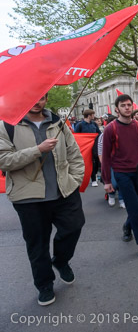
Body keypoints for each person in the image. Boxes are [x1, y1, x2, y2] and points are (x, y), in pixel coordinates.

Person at [0, 94, 85, 306]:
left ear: (46, 98)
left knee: (74, 226)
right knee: (37, 245)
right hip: (28, 198)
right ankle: (44, 285)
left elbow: (74, 154)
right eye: (33, 97)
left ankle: (61, 261)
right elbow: (3, 160)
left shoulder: (58, 122)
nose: (38, 102)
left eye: (42, 98)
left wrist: (74, 180)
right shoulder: (7, 125)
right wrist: (38, 150)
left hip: (64, 191)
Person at [101, 94, 138, 256]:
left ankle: (127, 226)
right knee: (134, 206)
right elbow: (105, 156)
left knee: (137, 204)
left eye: (129, 105)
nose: (127, 108)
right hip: (121, 173)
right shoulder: (110, 129)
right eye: (123, 105)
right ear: (117, 109)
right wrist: (107, 180)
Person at [98, 115, 124, 208]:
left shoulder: (122, 133)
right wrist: (103, 163)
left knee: (122, 181)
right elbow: (100, 151)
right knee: (113, 182)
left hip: (121, 161)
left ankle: (121, 199)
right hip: (109, 162)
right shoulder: (103, 135)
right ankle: (111, 195)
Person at [74, 109, 101, 186]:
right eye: (93, 114)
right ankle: (92, 179)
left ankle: (94, 174)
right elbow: (76, 136)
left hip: (94, 145)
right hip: (85, 147)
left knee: (96, 161)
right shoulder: (80, 125)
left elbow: (98, 133)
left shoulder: (94, 124)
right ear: (89, 115)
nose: (94, 116)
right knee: (89, 162)